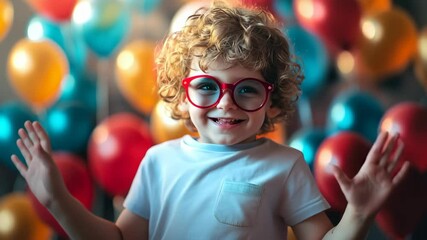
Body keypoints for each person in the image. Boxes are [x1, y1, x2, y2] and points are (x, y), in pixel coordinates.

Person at [11, 1, 410, 239]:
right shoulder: (158, 162)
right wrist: (56, 200)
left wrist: (358, 213)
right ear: (183, 92)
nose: (226, 103)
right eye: (207, 87)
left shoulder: (283, 164)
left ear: (272, 100)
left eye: (247, 89)